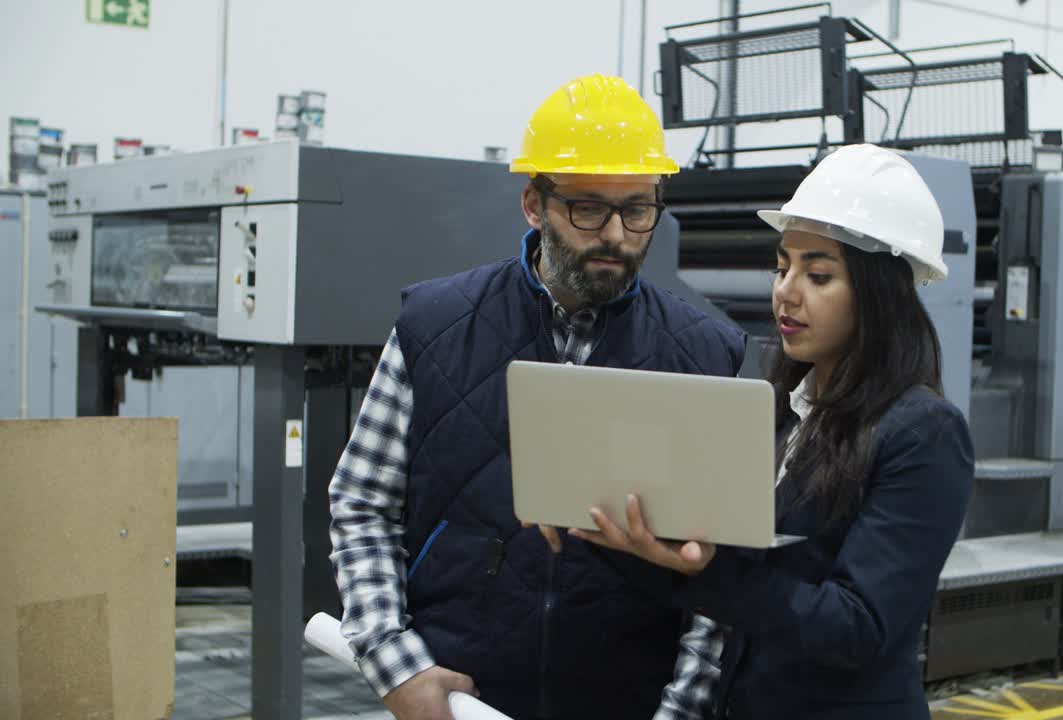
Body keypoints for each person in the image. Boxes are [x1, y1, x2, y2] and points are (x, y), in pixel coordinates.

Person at [327, 74, 747, 720]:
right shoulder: (434, 325)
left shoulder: (707, 353)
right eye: (587, 208)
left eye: (637, 209)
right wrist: (393, 663)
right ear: (533, 203)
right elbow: (362, 503)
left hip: (624, 701)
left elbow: (719, 575)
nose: (615, 234)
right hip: (462, 699)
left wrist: (682, 710)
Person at [569, 144, 976, 720]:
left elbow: (856, 628)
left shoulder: (925, 433)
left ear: (880, 294)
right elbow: (720, 580)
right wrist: (612, 531)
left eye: (818, 274)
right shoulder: (786, 411)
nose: (786, 290)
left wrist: (709, 569)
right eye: (783, 266)